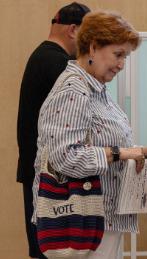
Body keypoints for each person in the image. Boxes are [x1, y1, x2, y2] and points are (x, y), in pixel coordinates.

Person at [32, 10, 147, 258]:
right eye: (118, 54)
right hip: (84, 220)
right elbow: (65, 158)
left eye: (125, 56)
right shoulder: (74, 90)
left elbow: (114, 151)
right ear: (93, 48)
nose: (121, 64)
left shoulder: (97, 90)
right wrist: (122, 153)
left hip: (101, 220)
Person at [16, 3, 91, 258]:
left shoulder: (44, 56)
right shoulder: (59, 64)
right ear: (73, 30)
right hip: (49, 179)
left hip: (40, 173)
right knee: (52, 251)